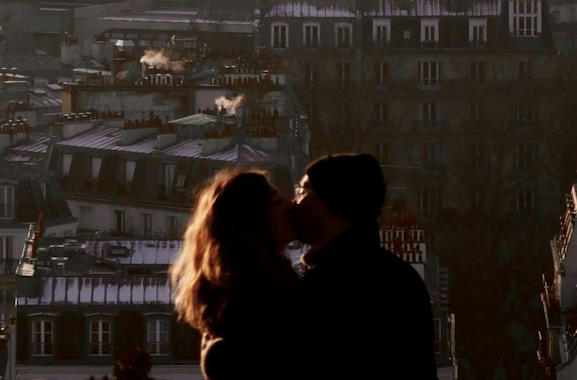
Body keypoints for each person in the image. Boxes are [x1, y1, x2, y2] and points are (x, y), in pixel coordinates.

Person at [294, 152, 438, 380]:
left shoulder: (329, 284)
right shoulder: (400, 277)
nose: (295, 202)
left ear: (328, 202)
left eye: (302, 191)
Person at [171, 168, 300, 380]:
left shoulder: (238, 290)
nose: (290, 204)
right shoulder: (261, 296)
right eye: (276, 202)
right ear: (252, 223)